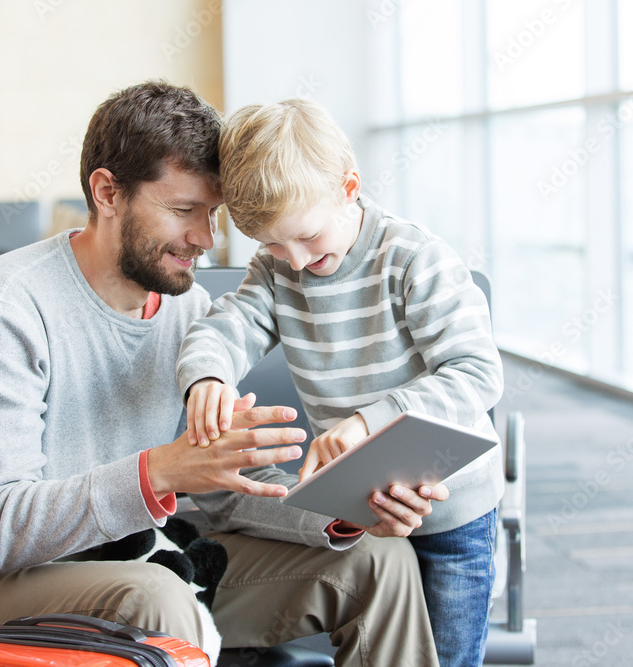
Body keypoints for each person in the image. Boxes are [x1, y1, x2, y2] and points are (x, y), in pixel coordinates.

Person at [0, 81, 442, 667]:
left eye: (212, 213)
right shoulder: (4, 311)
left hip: (143, 562)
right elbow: (1, 527)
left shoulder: (190, 310)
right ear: (107, 193)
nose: (205, 239)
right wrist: (164, 470)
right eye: (182, 211)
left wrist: (344, 513)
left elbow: (225, 498)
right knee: (158, 598)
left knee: (378, 561)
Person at [177, 98, 506, 667]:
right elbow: (229, 325)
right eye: (274, 245)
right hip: (367, 502)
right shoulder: (278, 269)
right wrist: (206, 374)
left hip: (453, 515)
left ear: (349, 187)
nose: (297, 262)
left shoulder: (413, 260)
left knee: (448, 657)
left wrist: (368, 422)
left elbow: (477, 373)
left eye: (306, 237)